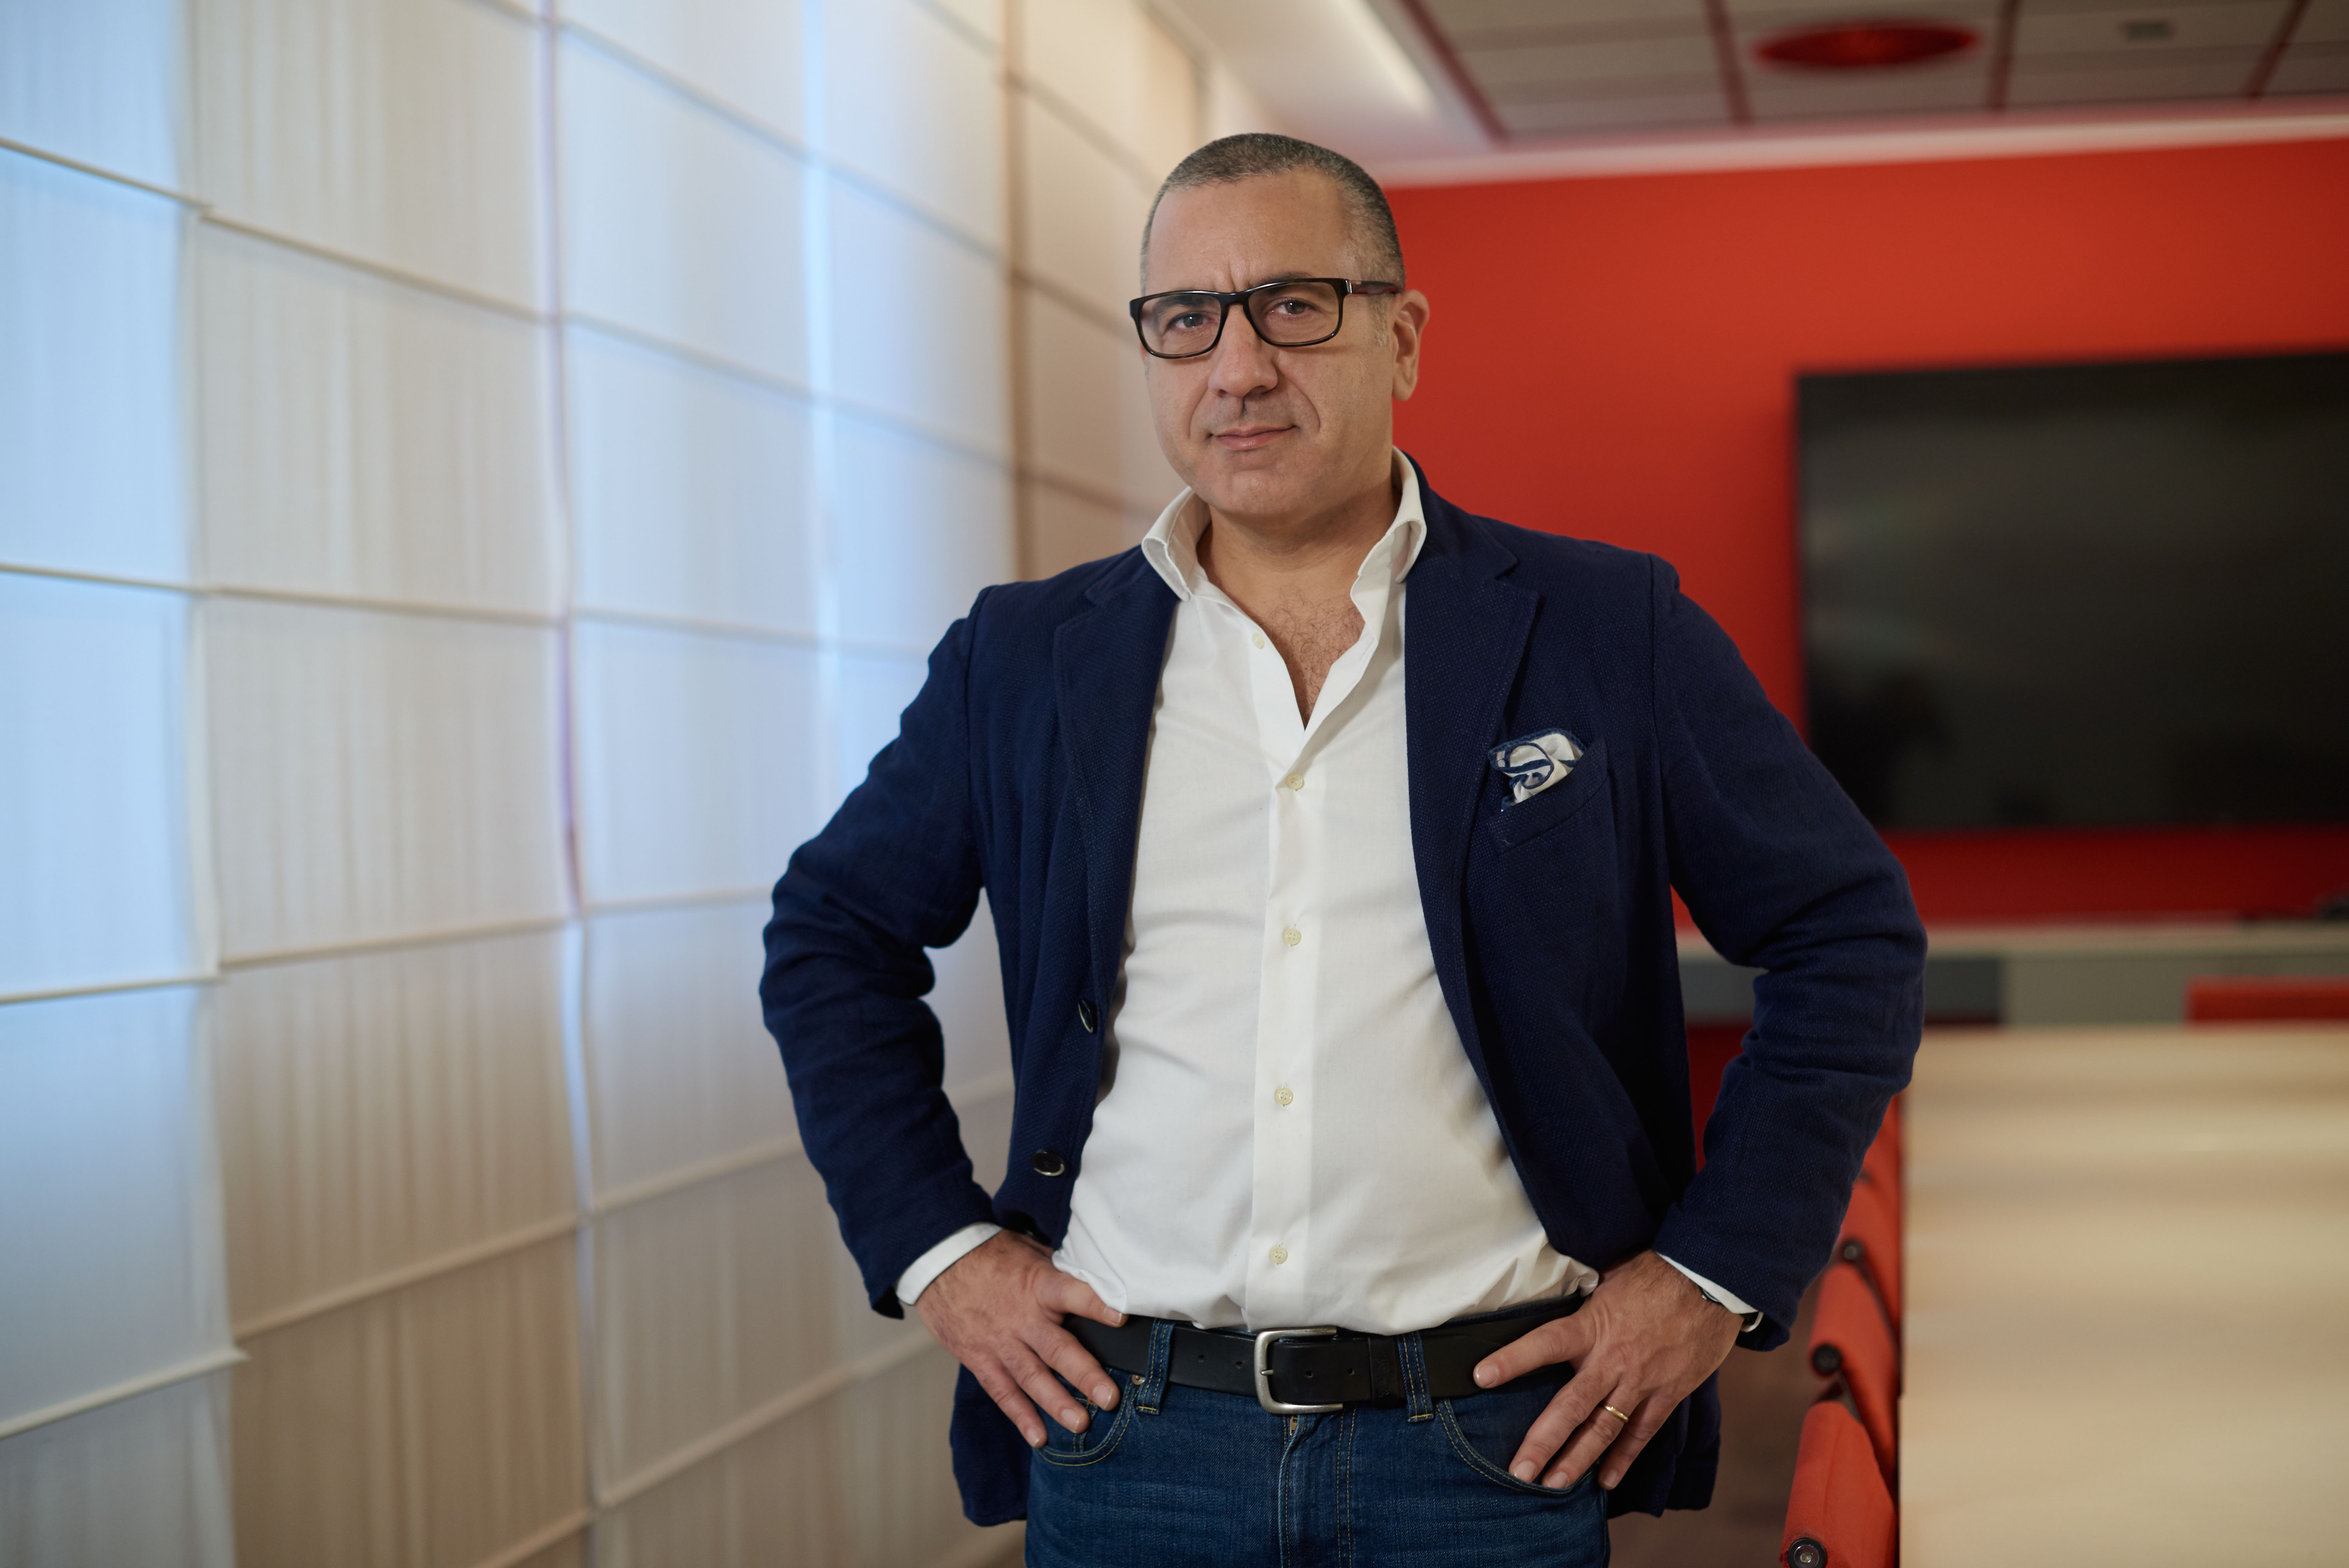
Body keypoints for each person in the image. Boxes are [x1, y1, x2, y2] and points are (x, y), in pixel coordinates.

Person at [763, 132, 1924, 1567]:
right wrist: (938, 1250)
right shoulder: (1023, 659)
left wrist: (1713, 1271)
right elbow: (830, 938)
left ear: (1404, 337)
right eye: (1186, 319)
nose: (1238, 368)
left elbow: (1847, 935)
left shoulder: (1607, 631)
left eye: (1294, 306)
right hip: (1131, 1447)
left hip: (1492, 1446)